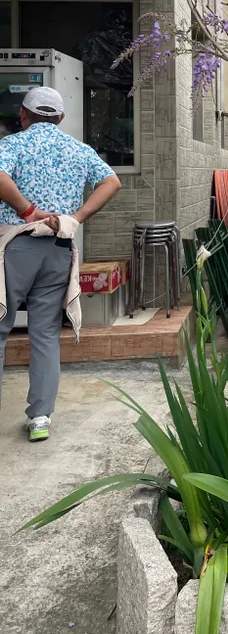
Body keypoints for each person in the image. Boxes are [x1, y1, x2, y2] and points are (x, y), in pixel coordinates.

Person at [0, 87, 121, 442]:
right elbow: (111, 182)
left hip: (17, 245)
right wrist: (77, 217)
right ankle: (40, 418)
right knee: (45, 334)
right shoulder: (79, 150)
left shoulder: (12, 145)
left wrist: (27, 211)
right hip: (59, 248)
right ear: (61, 118)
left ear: (23, 114)